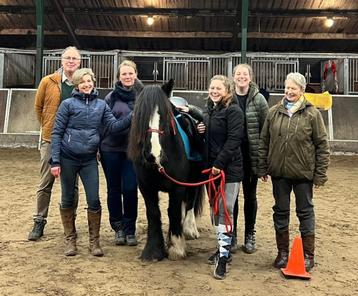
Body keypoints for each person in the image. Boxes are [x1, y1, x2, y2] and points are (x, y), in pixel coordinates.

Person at [50, 68, 132, 257]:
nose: (87, 84)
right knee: (67, 199)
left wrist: (131, 117)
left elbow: (113, 126)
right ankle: (70, 240)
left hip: (88, 160)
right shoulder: (67, 105)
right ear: (77, 85)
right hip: (68, 157)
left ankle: (94, 242)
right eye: (82, 82)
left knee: (94, 199)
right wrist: (55, 160)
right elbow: (57, 133)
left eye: (89, 81)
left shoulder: (101, 105)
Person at [258, 72, 330, 271]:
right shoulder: (273, 112)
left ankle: (308, 255)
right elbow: (264, 141)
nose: (289, 91)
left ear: (302, 90)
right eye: (287, 87)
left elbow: (322, 145)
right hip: (279, 173)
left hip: (303, 174)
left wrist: (320, 173)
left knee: (305, 212)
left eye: (293, 88)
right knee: (280, 211)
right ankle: (282, 253)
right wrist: (262, 166)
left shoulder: (312, 114)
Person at [29, 46, 81, 241]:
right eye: (67, 58)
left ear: (79, 62)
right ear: (61, 60)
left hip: (74, 142)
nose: (70, 61)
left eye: (74, 59)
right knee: (45, 182)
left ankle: (70, 221)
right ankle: (39, 220)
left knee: (72, 184)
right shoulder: (48, 82)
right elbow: (38, 107)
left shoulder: (81, 83)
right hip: (51, 139)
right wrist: (48, 128)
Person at [198, 75, 244, 280]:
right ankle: (221, 248)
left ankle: (223, 260)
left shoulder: (233, 111)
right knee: (215, 211)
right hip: (212, 170)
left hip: (229, 170)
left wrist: (219, 164)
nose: (214, 91)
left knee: (226, 210)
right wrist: (202, 130)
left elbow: (234, 139)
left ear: (227, 91)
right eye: (212, 88)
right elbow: (212, 136)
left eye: (218, 88)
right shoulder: (210, 109)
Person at [99, 60, 143, 246]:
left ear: (135, 74)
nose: (127, 77)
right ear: (119, 77)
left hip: (133, 151)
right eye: (124, 74)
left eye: (130, 73)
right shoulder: (110, 98)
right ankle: (118, 228)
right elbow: (106, 125)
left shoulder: (142, 96)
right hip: (111, 149)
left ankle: (130, 229)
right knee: (114, 190)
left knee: (130, 189)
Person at [231, 64, 269, 253]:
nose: (241, 77)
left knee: (250, 196)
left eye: (245, 74)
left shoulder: (259, 100)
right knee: (233, 197)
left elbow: (266, 130)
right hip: (233, 157)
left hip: (251, 156)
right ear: (234, 77)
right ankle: (233, 234)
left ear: (250, 77)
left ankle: (249, 234)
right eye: (238, 74)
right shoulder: (227, 97)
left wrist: (263, 162)